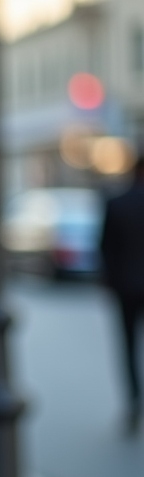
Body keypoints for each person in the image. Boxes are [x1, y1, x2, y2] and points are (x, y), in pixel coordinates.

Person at [99, 157, 144, 435]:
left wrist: (107, 283)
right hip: (126, 285)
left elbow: (105, 248)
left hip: (125, 286)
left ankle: (134, 402)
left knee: (128, 348)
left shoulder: (117, 203)